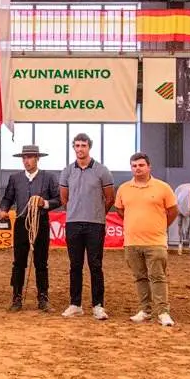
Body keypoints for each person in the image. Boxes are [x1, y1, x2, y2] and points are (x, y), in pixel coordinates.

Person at [115, 152, 178, 327]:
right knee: (140, 277)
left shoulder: (163, 187)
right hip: (132, 243)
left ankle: (163, 312)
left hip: (156, 242)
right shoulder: (123, 189)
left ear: (149, 167)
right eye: (134, 166)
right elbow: (121, 211)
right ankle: (145, 310)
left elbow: (172, 211)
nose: (138, 169)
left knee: (158, 277)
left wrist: (159, 226)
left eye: (141, 165)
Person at [0, 145, 61, 313]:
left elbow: (58, 199)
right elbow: (7, 198)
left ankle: (43, 297)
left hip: (40, 222)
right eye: (24, 158)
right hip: (21, 222)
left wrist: (44, 203)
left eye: (30, 157)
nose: (26, 161)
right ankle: (16, 296)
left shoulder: (48, 177)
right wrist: (4, 209)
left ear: (37, 159)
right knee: (18, 262)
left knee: (41, 262)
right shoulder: (15, 178)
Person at [59, 133, 115, 320]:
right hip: (73, 224)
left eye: (83, 145)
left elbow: (109, 198)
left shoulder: (102, 170)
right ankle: (75, 304)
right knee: (75, 265)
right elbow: (64, 198)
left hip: (95, 225)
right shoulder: (67, 171)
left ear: (89, 147)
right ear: (73, 148)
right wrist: (75, 212)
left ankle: (98, 305)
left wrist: (97, 213)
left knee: (95, 265)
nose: (80, 148)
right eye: (77, 145)